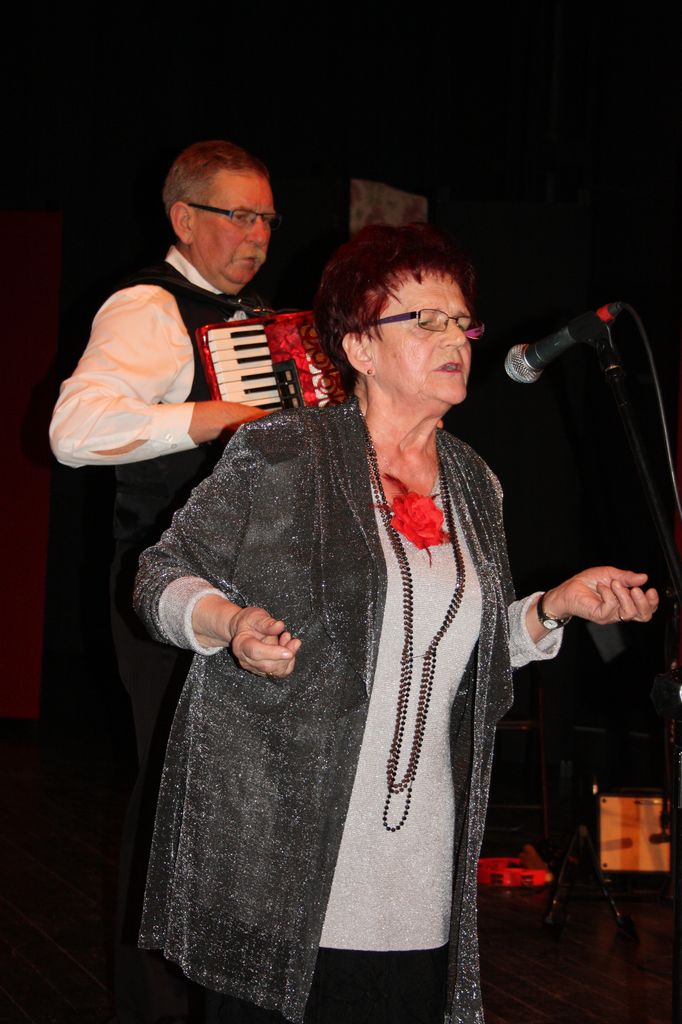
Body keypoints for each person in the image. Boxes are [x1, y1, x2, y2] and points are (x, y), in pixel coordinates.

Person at [132, 223, 658, 1024]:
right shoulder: (283, 452)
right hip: (285, 855)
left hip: (418, 861)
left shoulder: (476, 482)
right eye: (426, 320)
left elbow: (458, 653)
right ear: (359, 347)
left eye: (462, 322)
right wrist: (228, 622)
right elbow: (158, 574)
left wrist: (555, 606)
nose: (454, 338)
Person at [49, 139, 281, 1024]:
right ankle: (156, 1005)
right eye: (239, 216)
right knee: (174, 797)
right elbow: (75, 429)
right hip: (162, 582)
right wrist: (207, 418)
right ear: (184, 218)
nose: (257, 235)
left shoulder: (259, 321)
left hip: (244, 589)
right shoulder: (150, 307)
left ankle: (221, 989)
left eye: (266, 218)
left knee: (226, 800)